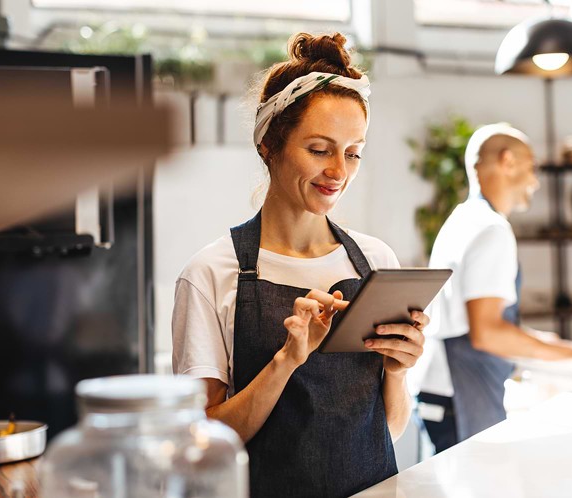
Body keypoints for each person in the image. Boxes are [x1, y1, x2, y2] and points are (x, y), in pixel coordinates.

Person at [172, 32, 428, 498]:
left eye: (353, 153)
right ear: (269, 144)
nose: (339, 171)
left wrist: (397, 371)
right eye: (319, 149)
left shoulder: (375, 261)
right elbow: (203, 448)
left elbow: (386, 431)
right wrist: (287, 361)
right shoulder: (211, 273)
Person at [417, 123, 572, 452]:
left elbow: (481, 322)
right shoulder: (492, 229)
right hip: (464, 391)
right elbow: (488, 332)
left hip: (442, 390)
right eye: (533, 167)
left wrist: (554, 344)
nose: (535, 181)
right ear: (508, 161)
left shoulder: (463, 219)